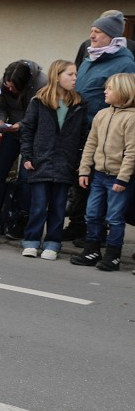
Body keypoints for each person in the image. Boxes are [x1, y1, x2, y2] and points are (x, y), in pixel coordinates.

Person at [66, 12, 135, 242]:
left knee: (98, 181)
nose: (91, 35)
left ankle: (98, 231)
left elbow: (126, 95)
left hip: (105, 129)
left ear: (111, 36)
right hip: (81, 127)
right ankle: (78, 224)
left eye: (97, 32)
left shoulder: (124, 62)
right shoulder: (90, 57)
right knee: (81, 176)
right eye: (92, 30)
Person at [19, 60, 87, 260]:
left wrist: (80, 160)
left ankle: (53, 242)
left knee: (59, 207)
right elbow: (27, 130)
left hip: (66, 162)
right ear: (57, 76)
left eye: (76, 74)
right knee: (39, 205)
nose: (75, 78)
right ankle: (31, 241)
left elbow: (84, 135)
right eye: (70, 74)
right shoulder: (39, 101)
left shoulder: (79, 104)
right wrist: (28, 156)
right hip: (41, 160)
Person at [70, 72, 135, 271]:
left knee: (114, 217)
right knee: (92, 214)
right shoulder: (102, 114)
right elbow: (91, 143)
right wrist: (83, 170)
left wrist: (123, 179)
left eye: (109, 88)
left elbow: (132, 151)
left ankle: (113, 255)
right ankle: (92, 250)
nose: (104, 91)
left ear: (123, 92)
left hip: (118, 178)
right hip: (98, 175)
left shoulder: (131, 119)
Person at [0, 60, 45, 236]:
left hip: (31, 135)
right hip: (11, 133)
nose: (9, 90)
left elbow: (40, 114)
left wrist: (21, 125)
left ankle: (21, 220)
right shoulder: (5, 82)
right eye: (7, 86)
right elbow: (2, 106)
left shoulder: (42, 85)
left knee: (25, 178)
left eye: (13, 88)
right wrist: (1, 120)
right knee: (0, 172)